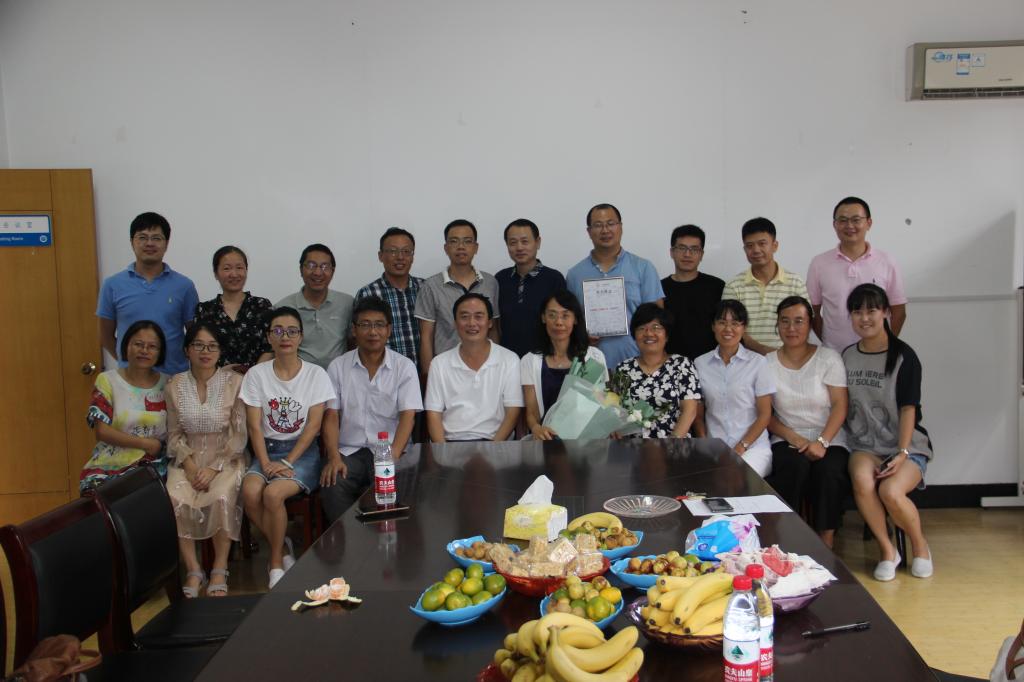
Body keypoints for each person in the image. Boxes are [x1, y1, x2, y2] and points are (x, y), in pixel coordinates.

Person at [240, 307, 336, 588]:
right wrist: (265, 462)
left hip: (302, 452)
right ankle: (282, 548)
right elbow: (254, 427)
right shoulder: (256, 374)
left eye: (292, 331)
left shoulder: (316, 374)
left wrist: (288, 462)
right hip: (266, 450)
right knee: (250, 492)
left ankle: (274, 563)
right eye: (278, 331)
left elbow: (313, 426)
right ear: (269, 337)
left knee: (273, 494)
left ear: (301, 337)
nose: (285, 337)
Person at [843, 284, 933, 581]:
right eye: (857, 312)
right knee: (862, 480)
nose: (864, 318)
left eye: (871, 310)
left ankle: (920, 547)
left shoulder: (905, 356)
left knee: (890, 491)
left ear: (885, 313)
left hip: (907, 445)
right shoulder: (847, 356)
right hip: (864, 445)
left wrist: (902, 452)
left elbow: (909, 409)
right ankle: (887, 550)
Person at [320, 297, 423, 522]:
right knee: (333, 482)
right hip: (350, 451)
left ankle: (390, 540)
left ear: (389, 330)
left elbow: (408, 417)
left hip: (392, 449)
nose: (372, 331)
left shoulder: (404, 366)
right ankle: (348, 539)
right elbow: (331, 416)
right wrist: (334, 457)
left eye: (379, 325)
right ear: (354, 330)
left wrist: (393, 456)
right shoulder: (338, 366)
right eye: (365, 325)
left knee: (399, 485)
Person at [165, 322, 247, 597]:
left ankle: (219, 568)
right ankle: (193, 570)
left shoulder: (235, 383)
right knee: (174, 497)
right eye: (198, 345)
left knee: (222, 496)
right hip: (186, 459)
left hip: (226, 459)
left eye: (212, 346)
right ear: (187, 350)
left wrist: (214, 468)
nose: (205, 351)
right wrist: (189, 466)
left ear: (220, 351)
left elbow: (239, 435)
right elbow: (174, 434)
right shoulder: (174, 385)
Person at [765, 296, 850, 548]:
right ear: (777, 325)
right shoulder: (766, 363)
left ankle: (826, 540)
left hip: (830, 436)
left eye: (799, 321)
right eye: (785, 321)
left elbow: (840, 405)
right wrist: (794, 437)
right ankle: (788, 536)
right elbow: (764, 414)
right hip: (787, 436)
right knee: (793, 466)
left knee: (829, 471)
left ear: (810, 324)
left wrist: (822, 442)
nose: (791, 328)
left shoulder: (828, 358)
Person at [97, 212, 199, 374]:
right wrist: (128, 363)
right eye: (142, 237)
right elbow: (106, 336)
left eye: (156, 238)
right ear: (132, 242)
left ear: (166, 244)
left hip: (174, 377)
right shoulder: (112, 285)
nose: (149, 243)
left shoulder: (184, 286)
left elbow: (195, 336)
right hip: (131, 380)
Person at [566, 203, 664, 369]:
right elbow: (569, 321)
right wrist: (582, 335)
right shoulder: (575, 274)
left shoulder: (643, 268)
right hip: (590, 365)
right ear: (589, 231)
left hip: (638, 362)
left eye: (610, 223)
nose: (605, 230)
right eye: (598, 225)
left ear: (620, 227)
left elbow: (657, 318)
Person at [806, 196, 908, 351]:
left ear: (869, 223)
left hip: (877, 354)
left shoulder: (887, 261)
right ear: (834, 225)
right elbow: (812, 312)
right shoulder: (819, 263)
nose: (849, 225)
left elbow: (899, 311)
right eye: (843, 220)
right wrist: (829, 341)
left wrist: (885, 345)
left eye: (856, 220)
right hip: (834, 354)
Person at [81, 320, 169, 493]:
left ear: (160, 352)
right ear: (126, 346)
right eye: (138, 344)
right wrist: (145, 443)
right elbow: (102, 431)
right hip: (110, 464)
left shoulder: (168, 384)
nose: (144, 350)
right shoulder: (107, 380)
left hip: (154, 464)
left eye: (152, 346)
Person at [424, 293, 522, 442]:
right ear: (455, 323)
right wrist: (443, 452)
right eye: (464, 317)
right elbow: (433, 414)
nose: (471, 323)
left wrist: (493, 449)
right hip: (451, 444)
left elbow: (513, 412)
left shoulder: (509, 360)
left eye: (478, 316)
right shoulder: (439, 363)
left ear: (490, 322)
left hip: (496, 444)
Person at [693, 300, 776, 476]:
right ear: (713, 326)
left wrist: (740, 448)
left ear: (744, 328)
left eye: (735, 323)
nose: (728, 329)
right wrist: (706, 446)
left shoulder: (759, 363)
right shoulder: (700, 364)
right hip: (714, 448)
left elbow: (765, 414)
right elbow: (698, 416)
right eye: (722, 322)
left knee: (736, 475)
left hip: (752, 448)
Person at [415, 220, 501, 375]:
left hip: (485, 370)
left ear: (476, 247)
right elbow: (426, 337)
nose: (461, 247)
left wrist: (497, 367)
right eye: (454, 241)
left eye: (467, 241)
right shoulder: (431, 286)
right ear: (446, 248)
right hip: (446, 370)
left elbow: (493, 329)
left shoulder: (491, 283)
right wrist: (429, 376)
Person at [520, 290, 608, 440]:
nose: (559, 322)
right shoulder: (530, 361)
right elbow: (531, 412)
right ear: (543, 318)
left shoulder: (594, 357)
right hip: (547, 438)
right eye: (552, 315)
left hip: (587, 439)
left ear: (575, 319)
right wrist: (536, 428)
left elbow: (602, 402)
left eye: (565, 315)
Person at [611, 303, 701, 439]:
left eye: (656, 327)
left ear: (667, 335)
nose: (648, 333)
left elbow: (690, 411)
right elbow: (614, 410)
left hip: (674, 447)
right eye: (642, 328)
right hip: (632, 448)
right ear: (634, 335)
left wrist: (672, 443)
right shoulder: (623, 368)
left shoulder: (682, 365)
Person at [722, 217, 809, 355]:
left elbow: (804, 324)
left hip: (788, 359)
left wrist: (783, 357)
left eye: (762, 243)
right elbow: (730, 328)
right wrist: (766, 352)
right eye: (750, 245)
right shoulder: (733, 286)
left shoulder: (795, 283)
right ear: (744, 249)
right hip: (745, 361)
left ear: (775, 245)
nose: (756, 250)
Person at [276, 244, 354, 370]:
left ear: (333, 271)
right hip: (299, 377)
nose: (318, 272)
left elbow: (354, 342)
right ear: (301, 270)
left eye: (324, 266)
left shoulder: (347, 303)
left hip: (338, 376)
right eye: (311, 265)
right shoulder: (283, 308)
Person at [194, 245, 272, 370]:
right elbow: (199, 350)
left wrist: (253, 376)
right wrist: (222, 376)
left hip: (257, 378)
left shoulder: (261, 305)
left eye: (239, 268)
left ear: (246, 270)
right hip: (216, 379)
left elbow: (270, 347)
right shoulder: (204, 310)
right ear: (216, 274)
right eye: (227, 268)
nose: (234, 274)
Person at [355, 227, 424, 369]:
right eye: (393, 251)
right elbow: (358, 339)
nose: (400, 257)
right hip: (386, 374)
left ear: (413, 256)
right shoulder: (367, 293)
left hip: (424, 374)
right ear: (380, 256)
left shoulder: (425, 289)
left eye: (406, 251)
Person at [496, 218, 566, 357]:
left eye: (525, 241)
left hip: (544, 358)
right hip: (507, 360)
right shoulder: (500, 279)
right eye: (513, 242)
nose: (519, 248)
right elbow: (496, 325)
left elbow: (562, 321)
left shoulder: (554, 279)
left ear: (537, 242)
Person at [661, 224, 725, 362]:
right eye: (682, 248)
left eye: (694, 249)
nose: (687, 254)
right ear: (672, 252)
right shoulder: (659, 289)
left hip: (711, 365)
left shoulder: (717, 287)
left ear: (701, 254)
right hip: (671, 365)